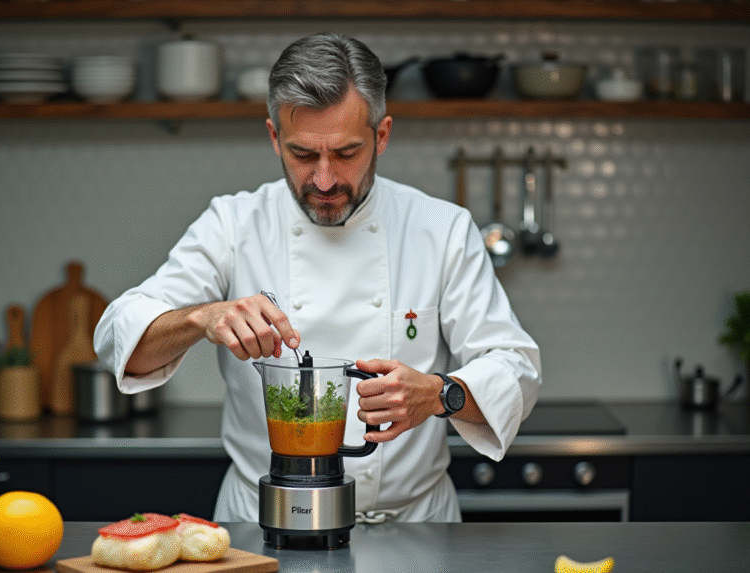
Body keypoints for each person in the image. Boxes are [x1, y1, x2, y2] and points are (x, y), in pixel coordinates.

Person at [94, 32, 541, 523]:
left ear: (383, 134)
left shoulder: (441, 229)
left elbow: (515, 368)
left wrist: (440, 393)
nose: (324, 180)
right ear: (273, 137)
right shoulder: (233, 224)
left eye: (346, 153)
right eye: (303, 154)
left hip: (413, 529)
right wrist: (203, 317)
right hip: (261, 523)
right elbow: (120, 337)